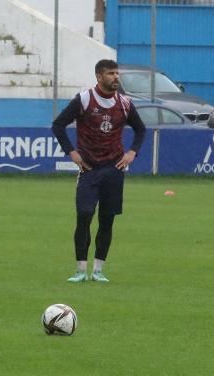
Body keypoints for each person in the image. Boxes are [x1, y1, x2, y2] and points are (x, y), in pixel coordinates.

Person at [52, 59, 145, 283]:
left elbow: (141, 129)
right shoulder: (84, 99)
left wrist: (132, 152)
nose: (116, 77)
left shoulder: (124, 103)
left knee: (107, 219)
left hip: (114, 169)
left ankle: (98, 270)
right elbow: (58, 125)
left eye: (117, 73)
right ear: (99, 76)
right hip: (89, 169)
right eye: (111, 73)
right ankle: (80, 270)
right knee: (84, 216)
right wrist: (72, 153)